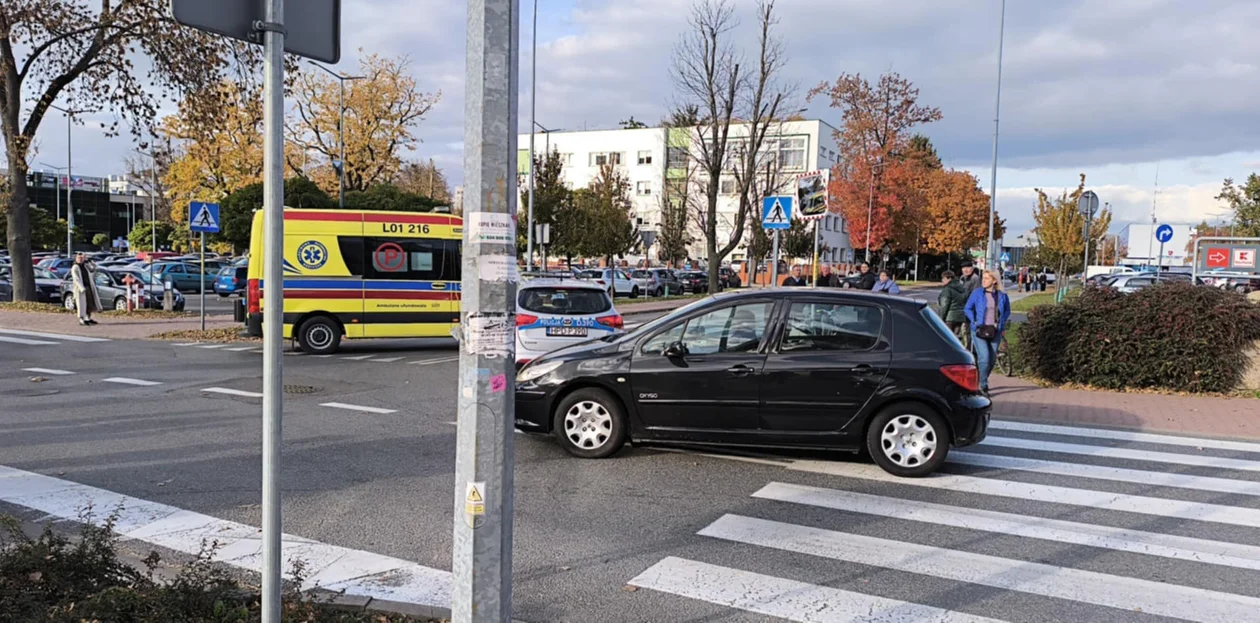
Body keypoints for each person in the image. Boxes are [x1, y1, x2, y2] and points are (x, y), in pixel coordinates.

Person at [964, 270, 1012, 394]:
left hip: (995, 330)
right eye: (983, 278)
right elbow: (967, 308)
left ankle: (981, 379)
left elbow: (1007, 310)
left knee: (991, 360)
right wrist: (973, 321)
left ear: (994, 281)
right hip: (979, 330)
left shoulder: (1001, 295)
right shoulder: (977, 293)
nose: (983, 280)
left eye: (986, 278)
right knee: (984, 358)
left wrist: (1001, 322)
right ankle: (983, 385)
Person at [937, 270, 969, 345]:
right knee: (955, 338)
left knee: (947, 338)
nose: (942, 280)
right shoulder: (962, 288)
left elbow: (944, 305)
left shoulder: (947, 290)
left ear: (949, 278)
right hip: (960, 317)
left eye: (943, 278)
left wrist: (941, 318)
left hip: (949, 317)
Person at [70, 253, 101, 326]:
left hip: (88, 286)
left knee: (89, 303)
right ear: (76, 259)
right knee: (81, 304)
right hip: (81, 289)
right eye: (79, 258)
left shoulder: (85, 266)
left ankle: (88, 318)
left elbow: (93, 269)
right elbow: (76, 279)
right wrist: (81, 287)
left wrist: (90, 261)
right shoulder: (75, 267)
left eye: (82, 258)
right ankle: (81, 319)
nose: (80, 260)